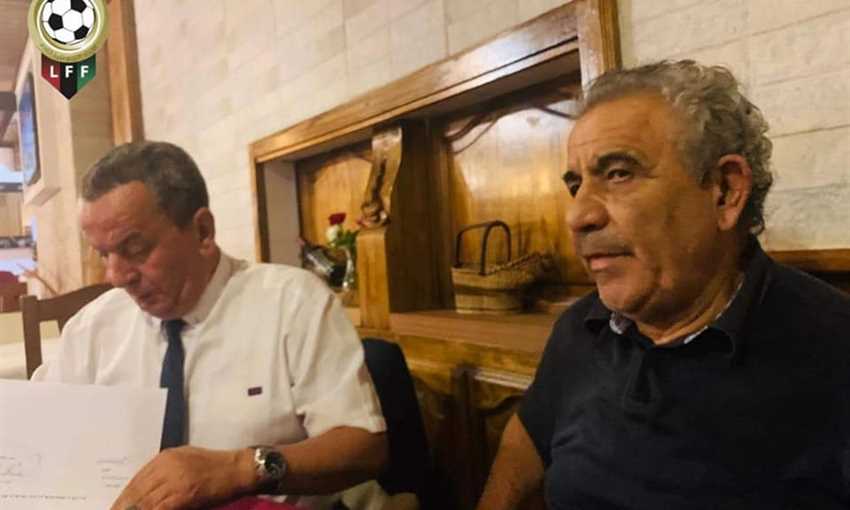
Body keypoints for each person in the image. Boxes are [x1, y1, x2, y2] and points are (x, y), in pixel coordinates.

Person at [477, 60, 850, 509]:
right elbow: (527, 440)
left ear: (725, 191)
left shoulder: (834, 348)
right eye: (576, 185)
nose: (577, 215)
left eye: (619, 173)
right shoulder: (580, 326)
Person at [32, 141, 388, 510]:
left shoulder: (294, 303)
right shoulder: (92, 328)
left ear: (202, 231)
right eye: (104, 254)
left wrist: (238, 469)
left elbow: (364, 447)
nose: (116, 277)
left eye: (134, 249)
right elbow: (38, 431)